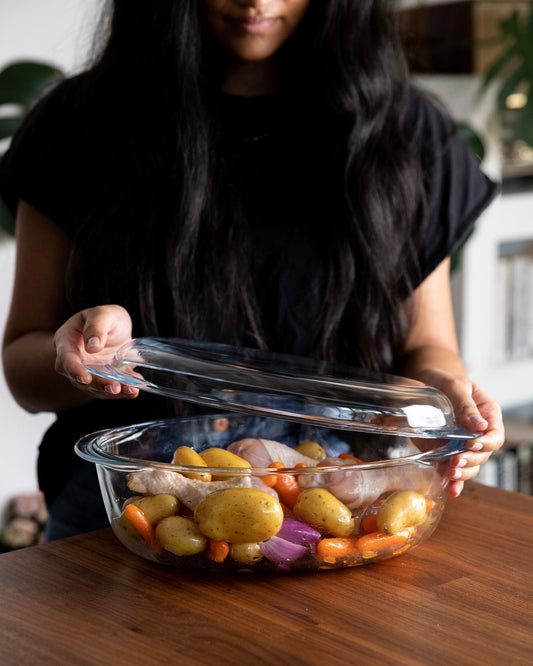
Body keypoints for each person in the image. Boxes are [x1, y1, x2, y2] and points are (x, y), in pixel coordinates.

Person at [0, 0, 504, 541]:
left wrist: (444, 392)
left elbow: (427, 345)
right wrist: (88, 355)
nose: (257, 2)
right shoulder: (77, 126)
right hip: (124, 517)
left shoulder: (406, 135)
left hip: (338, 503)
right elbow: (24, 372)